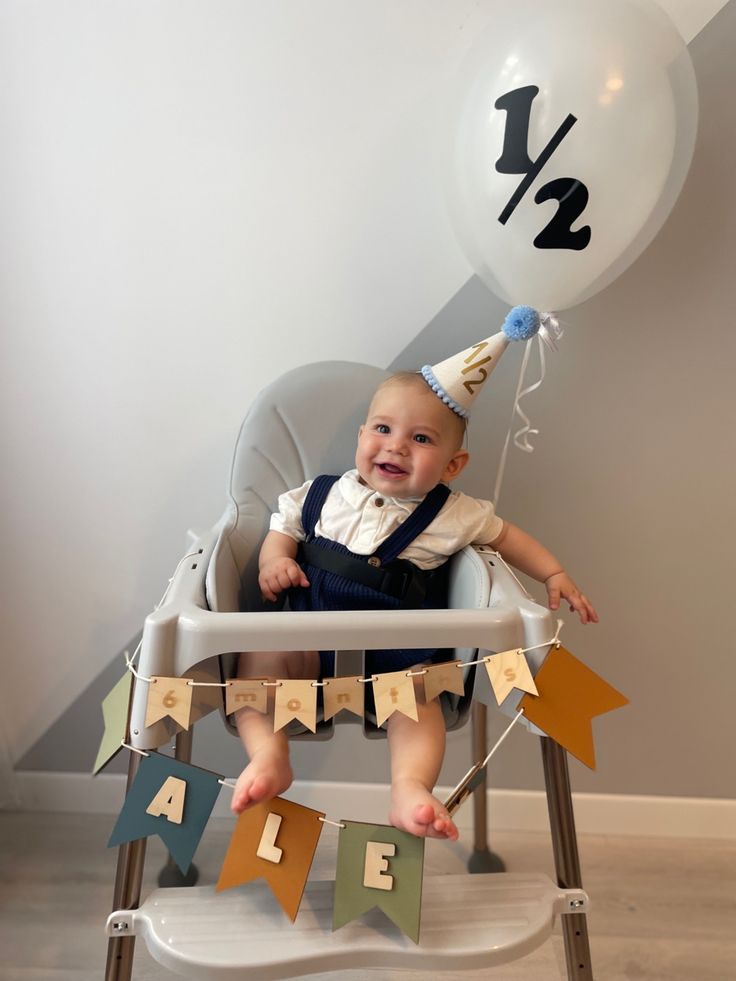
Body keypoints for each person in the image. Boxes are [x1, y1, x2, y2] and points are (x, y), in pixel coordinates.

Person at [231, 366, 598, 841]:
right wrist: (273, 562)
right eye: (382, 429)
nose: (396, 446)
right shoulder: (320, 493)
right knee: (253, 673)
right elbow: (284, 530)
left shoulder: (453, 513)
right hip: (306, 642)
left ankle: (409, 787)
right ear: (362, 435)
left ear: (452, 465)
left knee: (419, 705)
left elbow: (509, 538)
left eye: (420, 438)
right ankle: (269, 755)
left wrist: (553, 572)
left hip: (396, 657)